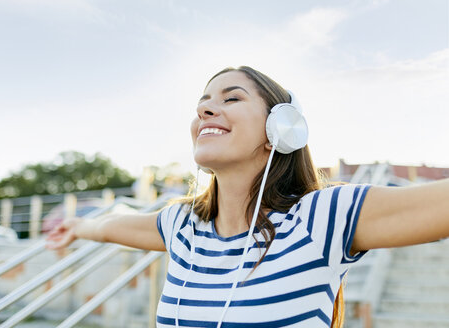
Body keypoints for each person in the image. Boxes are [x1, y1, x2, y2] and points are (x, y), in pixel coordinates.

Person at [46, 66, 449, 328]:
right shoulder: (183, 226)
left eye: (230, 98)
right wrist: (78, 227)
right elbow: (111, 225)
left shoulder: (321, 218)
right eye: (202, 103)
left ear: (281, 129)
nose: (206, 110)